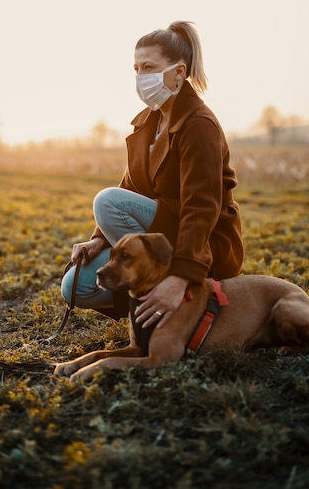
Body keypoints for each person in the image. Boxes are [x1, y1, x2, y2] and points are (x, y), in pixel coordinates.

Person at [61, 20, 244, 329]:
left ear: (179, 73)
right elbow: (131, 185)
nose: (140, 77)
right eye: (136, 69)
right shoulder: (148, 121)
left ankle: (181, 289)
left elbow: (202, 208)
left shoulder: (199, 124)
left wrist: (181, 275)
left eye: (148, 67)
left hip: (202, 243)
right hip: (162, 233)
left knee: (108, 201)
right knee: (76, 287)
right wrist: (98, 240)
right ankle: (159, 301)